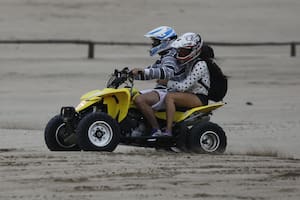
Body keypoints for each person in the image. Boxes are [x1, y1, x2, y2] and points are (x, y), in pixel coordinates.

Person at [131, 26, 186, 136]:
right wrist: (130, 74)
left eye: (155, 42)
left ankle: (156, 130)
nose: (153, 45)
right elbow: (150, 72)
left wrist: (144, 71)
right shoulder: (165, 57)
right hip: (163, 91)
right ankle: (142, 125)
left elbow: (167, 72)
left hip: (170, 91)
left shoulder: (171, 56)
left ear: (166, 42)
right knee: (131, 96)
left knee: (140, 99)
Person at [156, 32, 211, 137]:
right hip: (188, 95)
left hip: (198, 97)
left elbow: (183, 86)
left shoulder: (200, 65)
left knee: (169, 97)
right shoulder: (187, 64)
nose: (181, 53)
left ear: (194, 50)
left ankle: (168, 130)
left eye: (184, 51)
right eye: (180, 50)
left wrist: (166, 82)